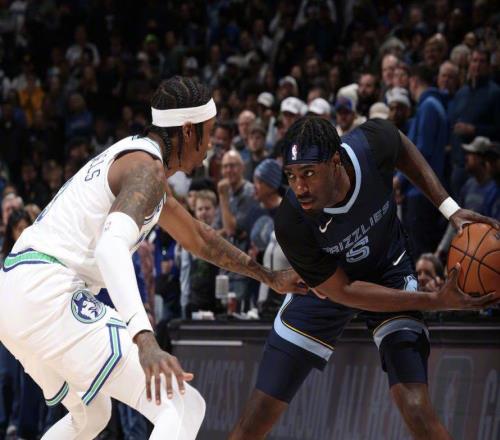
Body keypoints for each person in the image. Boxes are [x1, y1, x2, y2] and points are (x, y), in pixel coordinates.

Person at [0, 76, 304, 439]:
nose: (210, 146)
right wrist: (144, 338)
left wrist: (268, 276)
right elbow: (110, 248)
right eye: (208, 133)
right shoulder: (147, 170)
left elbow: (199, 238)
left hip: (14, 294)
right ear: (188, 131)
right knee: (182, 404)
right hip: (47, 291)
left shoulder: (140, 164)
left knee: (91, 416)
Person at [229, 116, 499, 440]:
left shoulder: (372, 143)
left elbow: (402, 148)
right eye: (292, 175)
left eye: (309, 173)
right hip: (330, 287)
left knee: (416, 406)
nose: (299, 188)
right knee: (255, 418)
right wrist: (434, 300)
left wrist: (449, 208)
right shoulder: (291, 222)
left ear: (336, 161)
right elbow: (345, 291)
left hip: (388, 270)